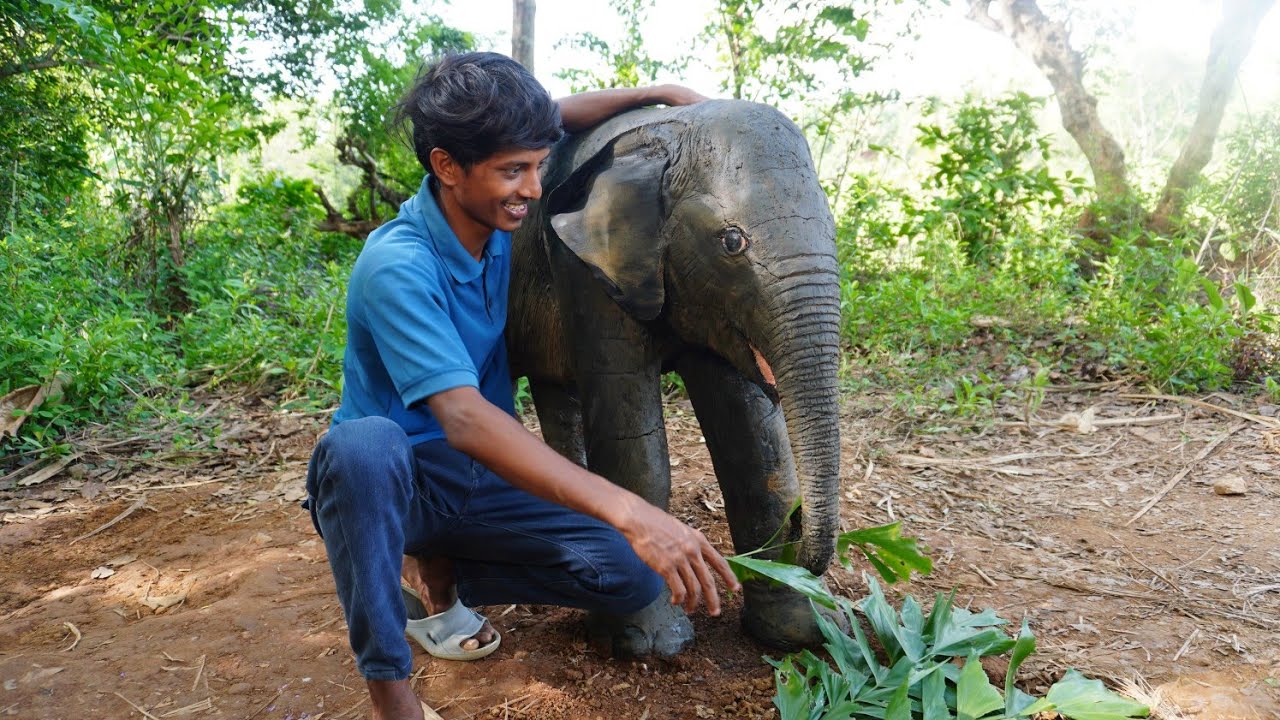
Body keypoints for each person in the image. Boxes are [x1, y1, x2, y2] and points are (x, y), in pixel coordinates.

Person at [303, 52, 741, 720]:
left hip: (474, 479)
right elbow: (465, 420)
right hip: (398, 481)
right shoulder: (397, 265)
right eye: (515, 170)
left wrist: (653, 92)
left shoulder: (494, 214)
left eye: (537, 166)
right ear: (447, 166)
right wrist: (632, 509)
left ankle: (436, 572)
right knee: (363, 447)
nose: (533, 188)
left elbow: (556, 119)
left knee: (629, 575)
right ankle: (392, 692)